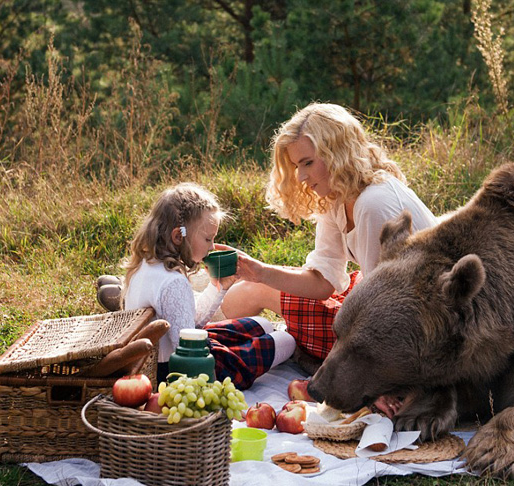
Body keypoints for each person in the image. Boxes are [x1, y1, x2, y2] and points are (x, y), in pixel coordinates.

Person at [220, 103, 437, 414]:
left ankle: (203, 343)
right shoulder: (337, 197)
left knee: (268, 302)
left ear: (337, 152)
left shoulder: (373, 204)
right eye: (296, 165)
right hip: (380, 307)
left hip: (420, 335)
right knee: (252, 289)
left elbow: (389, 314)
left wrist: (375, 384)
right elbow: (323, 282)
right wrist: (260, 271)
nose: (301, 176)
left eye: (308, 162)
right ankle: (204, 338)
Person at [120, 182, 296, 388]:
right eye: (207, 239)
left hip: (173, 355)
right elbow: (188, 350)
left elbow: (188, 324)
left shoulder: (145, 265)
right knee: (286, 340)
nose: (212, 246)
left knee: (262, 324)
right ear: (178, 236)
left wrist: (218, 286)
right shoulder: (173, 282)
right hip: (182, 371)